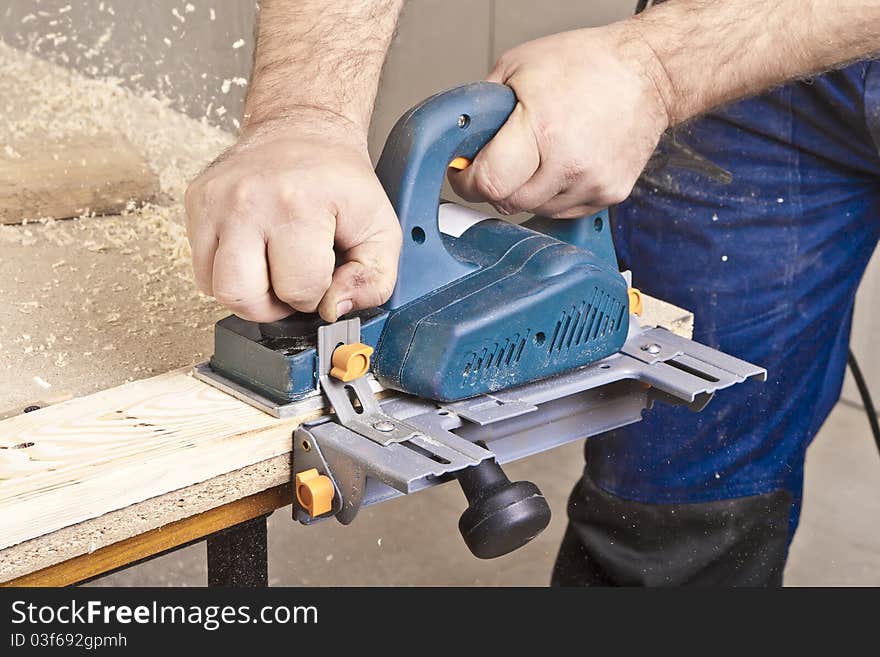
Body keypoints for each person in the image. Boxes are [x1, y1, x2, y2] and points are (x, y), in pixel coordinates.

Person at [185, 0, 880, 586]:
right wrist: (303, 112)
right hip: (740, 30)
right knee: (680, 497)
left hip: (718, 40)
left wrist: (660, 68)